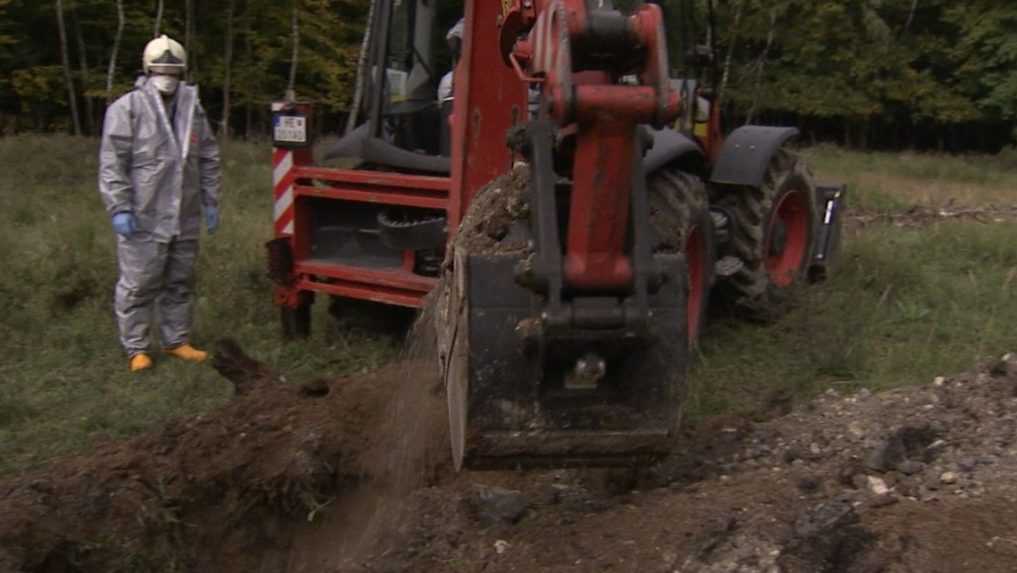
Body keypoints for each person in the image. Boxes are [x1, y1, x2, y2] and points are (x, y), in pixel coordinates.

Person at [98, 34, 223, 373]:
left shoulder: (192, 108)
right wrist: (119, 207)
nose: (167, 79)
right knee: (139, 283)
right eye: (161, 71)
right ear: (148, 70)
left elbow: (208, 156)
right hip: (143, 215)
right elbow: (113, 163)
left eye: (173, 72)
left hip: (185, 213)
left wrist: (211, 201)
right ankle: (136, 348)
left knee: (179, 281)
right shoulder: (128, 109)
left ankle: (176, 341)